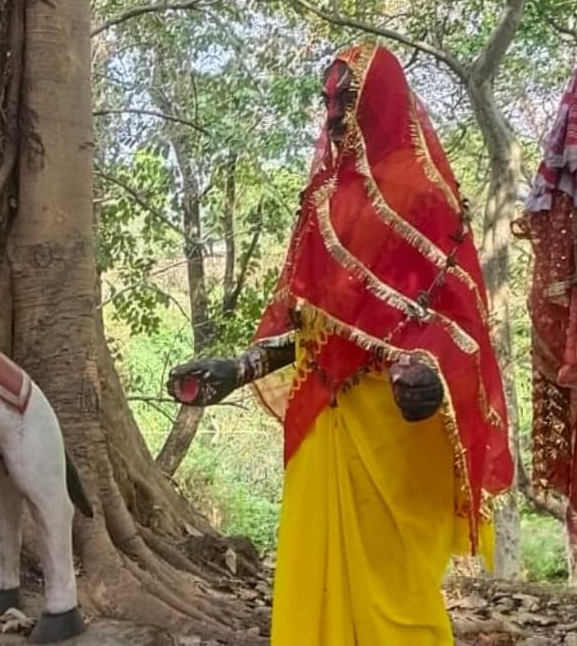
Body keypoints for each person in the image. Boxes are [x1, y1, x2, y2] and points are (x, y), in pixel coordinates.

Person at [167, 42, 513, 645]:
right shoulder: (322, 202)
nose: (333, 115)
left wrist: (433, 379)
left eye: (346, 99)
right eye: (327, 101)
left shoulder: (424, 195)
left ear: (381, 97)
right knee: (314, 577)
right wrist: (240, 367)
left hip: (398, 428)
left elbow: (462, 327)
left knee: (397, 592)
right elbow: (304, 324)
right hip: (322, 418)